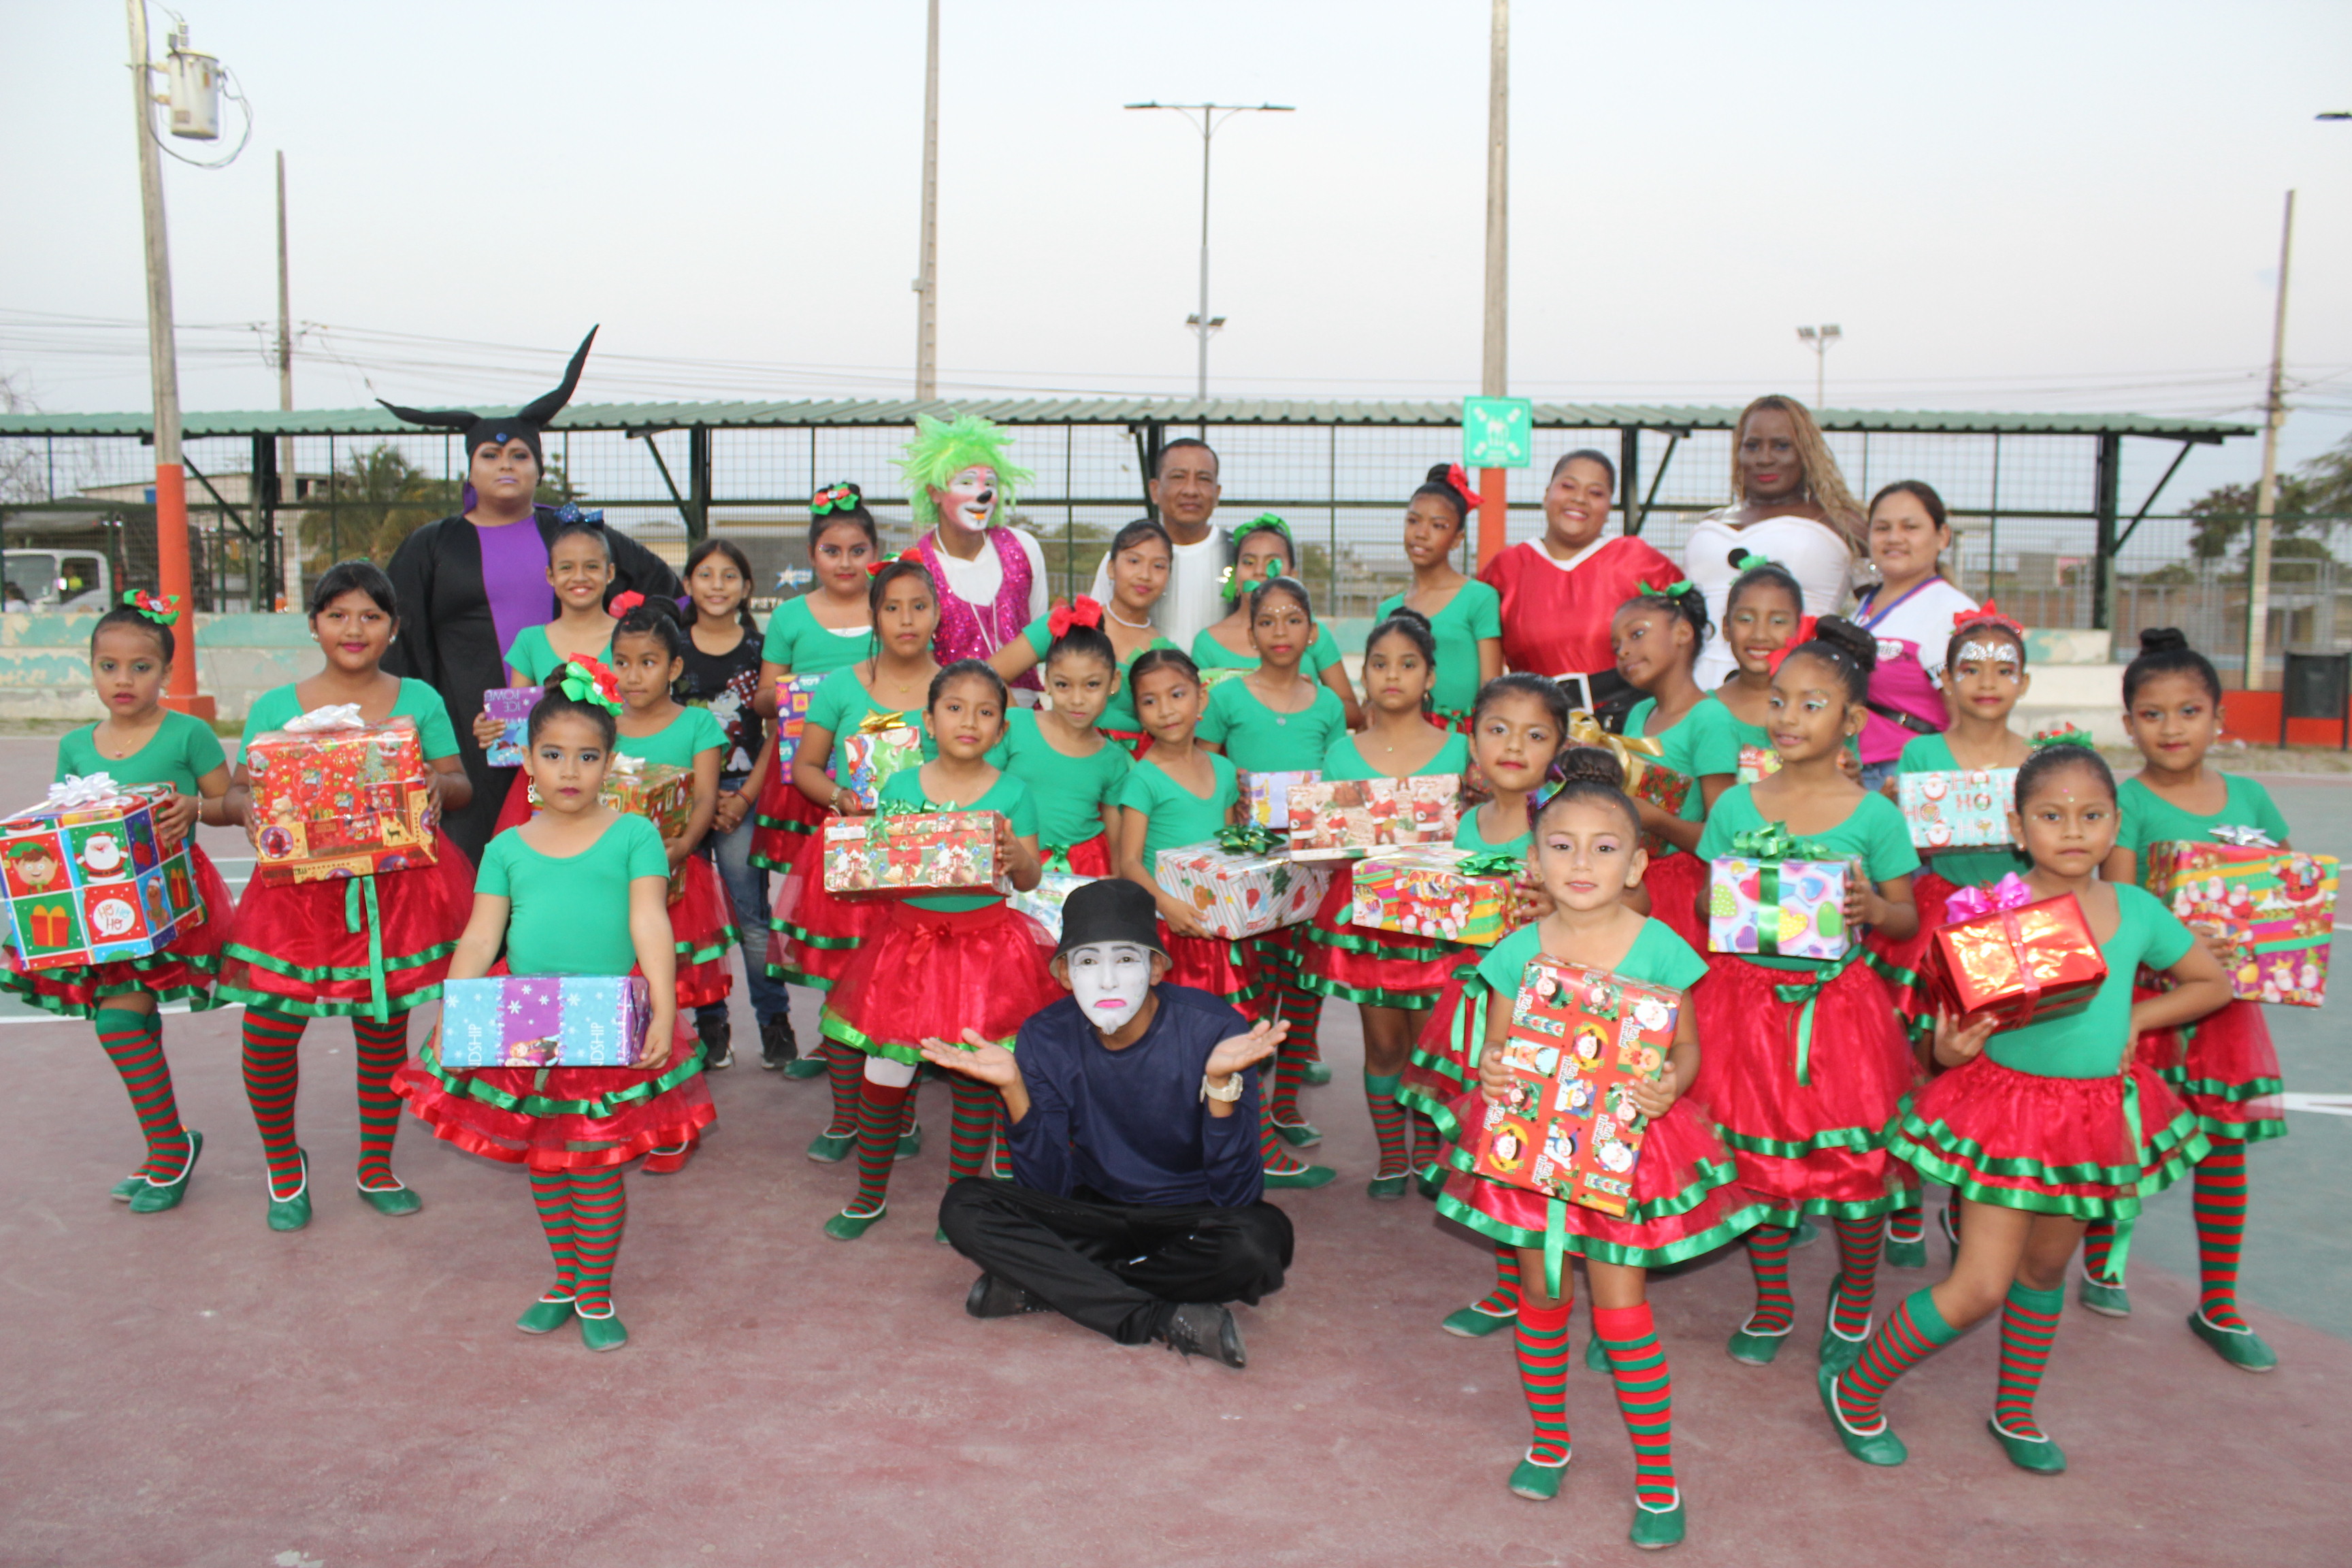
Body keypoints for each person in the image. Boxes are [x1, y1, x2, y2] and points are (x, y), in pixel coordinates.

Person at [1825, 744, 2229, 1473]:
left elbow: (2211, 982)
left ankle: (2014, 1412)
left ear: (2116, 825)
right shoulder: (1994, 914)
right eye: (2051, 815)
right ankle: (1854, 1389)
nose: (2073, 830)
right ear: (2016, 826)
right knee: (1979, 1287)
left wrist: (2136, 1020)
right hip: (2007, 1116)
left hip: (2090, 1120)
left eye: (2092, 815)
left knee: (2044, 1273)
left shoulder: (2136, 910)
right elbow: (1948, 1042)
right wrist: (1952, 1046)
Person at [1437, 752, 1759, 1543]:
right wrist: (1494, 1068)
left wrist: (1672, 1084)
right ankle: (1550, 1442)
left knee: (1622, 1313)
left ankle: (1657, 1477)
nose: (1582, 863)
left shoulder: (1661, 947)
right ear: (1534, 859)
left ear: (1638, 864)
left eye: (1605, 847)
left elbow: (1687, 1048)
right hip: (1531, 1152)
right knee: (1542, 1296)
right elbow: (1502, 1048)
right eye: (1562, 845)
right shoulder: (1515, 951)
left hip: (1626, 1152)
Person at [393, 669, 709, 1352]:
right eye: (554, 754)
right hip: (524, 1019)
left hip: (606, 1018)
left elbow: (650, 921)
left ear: (610, 762)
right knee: (544, 1156)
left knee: (592, 1161)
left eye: (588, 756)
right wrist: (455, 1008)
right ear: (528, 759)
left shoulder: (634, 835)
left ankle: (594, 1291)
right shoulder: (506, 847)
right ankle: (566, 1279)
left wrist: (663, 1007)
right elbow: (481, 937)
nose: (571, 770)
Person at [930, 877, 1295, 1369]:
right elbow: (1047, 1188)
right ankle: (1155, 1316)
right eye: (1087, 962)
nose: (1106, 981)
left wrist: (1219, 1087)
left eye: (1125, 960)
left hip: (1192, 1220)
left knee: (1259, 1243)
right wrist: (1014, 1088)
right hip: (1096, 1210)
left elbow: (1238, 1196)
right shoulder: (1046, 1036)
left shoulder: (1214, 1030)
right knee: (964, 1205)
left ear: (1157, 967)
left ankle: (1052, 1286)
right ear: (1064, 974)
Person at [217, 561, 477, 1230]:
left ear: (394, 627)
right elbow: (240, 791)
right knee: (269, 1031)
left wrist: (429, 783)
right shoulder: (276, 706)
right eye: (337, 615)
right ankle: (284, 1165)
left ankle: (375, 1165)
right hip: (295, 897)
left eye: (370, 616)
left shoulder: (418, 699)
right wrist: (249, 806)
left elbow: (459, 786)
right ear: (314, 625)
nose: (353, 629)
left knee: (383, 1029)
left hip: (397, 894)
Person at [1690, 618, 1919, 1372]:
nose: (1789, 717)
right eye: (1780, 701)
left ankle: (1855, 1297)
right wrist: (1727, 898)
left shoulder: (1876, 815)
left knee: (1855, 1165)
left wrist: (1870, 908)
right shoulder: (1736, 806)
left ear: (1852, 721)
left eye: (1812, 704)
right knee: (1758, 1162)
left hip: (1839, 1017)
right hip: (1745, 1008)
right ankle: (1773, 1301)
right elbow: (1704, 901)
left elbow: (1905, 915)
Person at [379, 330, 683, 862]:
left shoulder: (573, 534)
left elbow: (667, 592)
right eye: (491, 455)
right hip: (470, 736)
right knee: (476, 863)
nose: (507, 465)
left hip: (575, 742)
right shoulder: (432, 545)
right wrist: (409, 729)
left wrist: (629, 651)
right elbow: (397, 640)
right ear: (470, 469)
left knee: (577, 855)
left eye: (520, 455)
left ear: (538, 468)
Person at [2080, 629, 2297, 1372]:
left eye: (2188, 711)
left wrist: (2262, 932)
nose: (2170, 728)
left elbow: (2283, 894)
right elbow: (2121, 904)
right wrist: (2183, 936)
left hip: (2225, 1009)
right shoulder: (2128, 802)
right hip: (2150, 1000)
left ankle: (2220, 1301)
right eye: (2151, 714)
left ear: (2219, 718)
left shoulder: (2253, 797)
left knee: (2224, 1146)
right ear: (2128, 723)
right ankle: (2104, 1261)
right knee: (2126, 1134)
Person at [0, 593, 238, 1213]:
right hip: (101, 911)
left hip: (169, 901)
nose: (123, 679)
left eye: (141, 667)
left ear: (166, 671)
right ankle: (169, 1145)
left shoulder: (189, 733)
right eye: (109, 666)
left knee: (119, 1023)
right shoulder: (76, 744)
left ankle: (169, 1150)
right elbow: (64, 821)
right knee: (128, 1021)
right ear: (92, 669)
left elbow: (233, 805)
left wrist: (195, 808)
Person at [815, 660, 1058, 1241]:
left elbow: (1029, 879)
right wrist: (855, 850)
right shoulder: (900, 788)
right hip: (907, 949)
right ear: (928, 721)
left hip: (985, 954)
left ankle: (959, 1204)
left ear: (1002, 729)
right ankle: (869, 1195)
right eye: (954, 708)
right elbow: (884, 869)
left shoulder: (1014, 793)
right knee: (884, 1071)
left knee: (974, 1080)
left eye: (985, 712)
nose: (969, 721)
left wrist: (1015, 857)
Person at [1865, 606, 2035, 1268]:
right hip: (1937, 915)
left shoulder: (2038, 759)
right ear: (1945, 680)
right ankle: (1907, 1201)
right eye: (1971, 668)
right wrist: (1890, 810)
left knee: (1987, 1064)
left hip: (2008, 921)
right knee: (1916, 1058)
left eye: (2004, 669)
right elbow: (1903, 848)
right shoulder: (1921, 753)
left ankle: (1968, 1200)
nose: (1987, 681)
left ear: (2024, 681)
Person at [1400, 675, 1569, 1339]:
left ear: (1559, 747)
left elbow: (1630, 905)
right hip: (1476, 1010)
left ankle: (1583, 1297)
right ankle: (1511, 1286)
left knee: (1551, 1155)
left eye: (1535, 735)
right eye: (1498, 730)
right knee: (1494, 1146)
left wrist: (1559, 903)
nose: (1514, 747)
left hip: (1550, 1019)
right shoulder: (1467, 824)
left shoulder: (1566, 821)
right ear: (1472, 740)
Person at [768, 559, 941, 1164]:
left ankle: (900, 1116)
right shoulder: (842, 685)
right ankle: (846, 1119)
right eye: (892, 607)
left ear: (937, 614)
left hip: (922, 865)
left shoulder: (952, 688)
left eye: (919, 606)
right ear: (874, 617)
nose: (906, 619)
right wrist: (841, 797)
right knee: (844, 994)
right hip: (851, 861)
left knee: (907, 992)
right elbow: (806, 768)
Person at [1296, 611, 1472, 1196]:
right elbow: (1329, 849)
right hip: (1372, 926)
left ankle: (1431, 1154)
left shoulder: (1462, 751)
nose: (1392, 675)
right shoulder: (1342, 756)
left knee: (1432, 1044)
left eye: (1407, 664)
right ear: (1364, 675)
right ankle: (1393, 1158)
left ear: (1430, 677)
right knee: (1385, 1045)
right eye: (1379, 664)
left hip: (1442, 925)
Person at [1197, 576, 1352, 1188]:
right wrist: (1230, 806)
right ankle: (1253, 1109)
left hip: (1313, 867)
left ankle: (1285, 1102)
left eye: (1293, 619)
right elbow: (1206, 768)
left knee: (1304, 985)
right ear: (1251, 632)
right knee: (1255, 990)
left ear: (1312, 632)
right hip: (1249, 871)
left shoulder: (1328, 704)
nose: (1280, 631)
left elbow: (1339, 781)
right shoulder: (1227, 698)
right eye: (1267, 621)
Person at [747, 483, 882, 1073]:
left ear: (876, 553)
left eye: (857, 550)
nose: (845, 562)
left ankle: (886, 1028)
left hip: (880, 779)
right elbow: (761, 698)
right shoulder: (791, 616)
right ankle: (837, 1036)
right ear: (811, 556)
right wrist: (800, 695)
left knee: (882, 908)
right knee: (830, 913)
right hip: (810, 779)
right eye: (832, 551)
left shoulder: (892, 607)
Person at [605, 601, 738, 1172]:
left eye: (648, 662)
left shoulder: (697, 725)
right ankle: (624, 1109)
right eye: (622, 662)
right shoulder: (598, 722)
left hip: (673, 884)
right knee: (618, 995)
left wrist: (682, 845)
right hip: (604, 887)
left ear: (675, 668)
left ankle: (675, 1121)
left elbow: (706, 798)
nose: (633, 675)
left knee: (666, 1002)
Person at [674, 537, 788, 1072]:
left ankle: (775, 1022)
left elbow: (779, 731)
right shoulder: (672, 648)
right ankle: (711, 1025)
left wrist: (743, 797)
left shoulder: (762, 650)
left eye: (729, 576)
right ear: (687, 584)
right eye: (705, 574)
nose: (716, 585)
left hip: (743, 795)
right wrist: (697, 796)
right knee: (696, 920)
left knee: (752, 917)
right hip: (683, 797)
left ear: (747, 587)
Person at [1478, 451, 1682, 715]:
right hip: (1533, 724)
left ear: (1609, 506)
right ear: (1546, 494)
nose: (1579, 499)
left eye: (1595, 493)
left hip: (1627, 723)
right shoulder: (1506, 568)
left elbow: (1687, 637)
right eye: (1568, 486)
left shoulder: (1638, 560)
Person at [1684, 397, 1865, 689]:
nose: (1764, 459)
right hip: (1700, 689)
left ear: (1806, 452)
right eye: (1752, 446)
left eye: (1781, 446)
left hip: (1797, 690)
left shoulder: (1842, 523)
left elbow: (1885, 604)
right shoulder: (1713, 520)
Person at [472, 514, 623, 839]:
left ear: (610, 573)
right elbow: (517, 717)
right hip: (549, 785)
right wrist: (493, 728)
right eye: (566, 568)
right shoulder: (530, 641)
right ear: (550, 576)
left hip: (618, 776)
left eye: (591, 567)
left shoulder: (629, 638)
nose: (579, 577)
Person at [992, 519, 1178, 753]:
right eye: (1133, 561)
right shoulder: (1068, 621)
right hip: (1058, 761)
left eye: (1158, 566)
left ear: (1169, 576)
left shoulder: (1166, 655)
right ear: (1111, 567)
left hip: (1128, 771)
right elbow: (990, 674)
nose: (1145, 575)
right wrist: (1024, 731)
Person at [900, 414, 1046, 699]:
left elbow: (1038, 636)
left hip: (1024, 712)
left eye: (989, 483)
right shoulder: (916, 565)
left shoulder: (1024, 547)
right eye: (966, 483)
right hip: (953, 712)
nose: (982, 494)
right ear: (935, 493)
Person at [985, 605, 1133, 876]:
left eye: (1092, 685)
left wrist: (1117, 884)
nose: (1077, 699)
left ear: (1114, 682)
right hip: (1014, 866)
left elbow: (1117, 841)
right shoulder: (1014, 726)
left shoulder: (1113, 758)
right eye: (1064, 684)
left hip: (1086, 871)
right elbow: (981, 792)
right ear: (1047, 681)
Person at [1850, 482, 1978, 789]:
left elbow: (1967, 720)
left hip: (1907, 777)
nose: (1894, 538)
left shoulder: (1952, 611)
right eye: (1883, 528)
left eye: (1910, 527)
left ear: (1942, 536)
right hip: (1856, 771)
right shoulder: (1865, 605)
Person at [1612, 581, 1716, 951]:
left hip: (1680, 893)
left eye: (1637, 634)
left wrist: (1657, 820)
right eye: (1616, 646)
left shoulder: (1709, 717)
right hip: (1632, 882)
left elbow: (1723, 836)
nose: (1624, 651)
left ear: (1683, 633)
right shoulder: (1639, 713)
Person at [1190, 515, 1364, 728]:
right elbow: (1197, 719)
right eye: (1249, 562)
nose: (1259, 571)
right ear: (1235, 575)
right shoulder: (1207, 643)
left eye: (1273, 562)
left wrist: (1312, 699)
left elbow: (1354, 714)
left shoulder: (1312, 634)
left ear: (1293, 576)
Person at [1377, 468, 1503, 727]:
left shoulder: (1479, 598)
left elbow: (1492, 691)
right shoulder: (1388, 610)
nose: (1421, 533)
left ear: (1457, 539)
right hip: (1403, 738)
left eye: (1438, 526)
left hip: (1462, 738)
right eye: (1413, 521)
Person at [1684, 557, 1809, 808]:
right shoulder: (1701, 712)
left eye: (1778, 621)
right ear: (1726, 627)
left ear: (1800, 629)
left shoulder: (1821, 711)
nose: (1760, 634)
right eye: (1746, 619)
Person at [1088, 436, 1230, 649]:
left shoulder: (1238, 556)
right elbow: (1094, 633)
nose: (1191, 490)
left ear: (1217, 493)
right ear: (1155, 490)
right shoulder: (1123, 558)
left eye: (1203, 479)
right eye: (1178, 477)